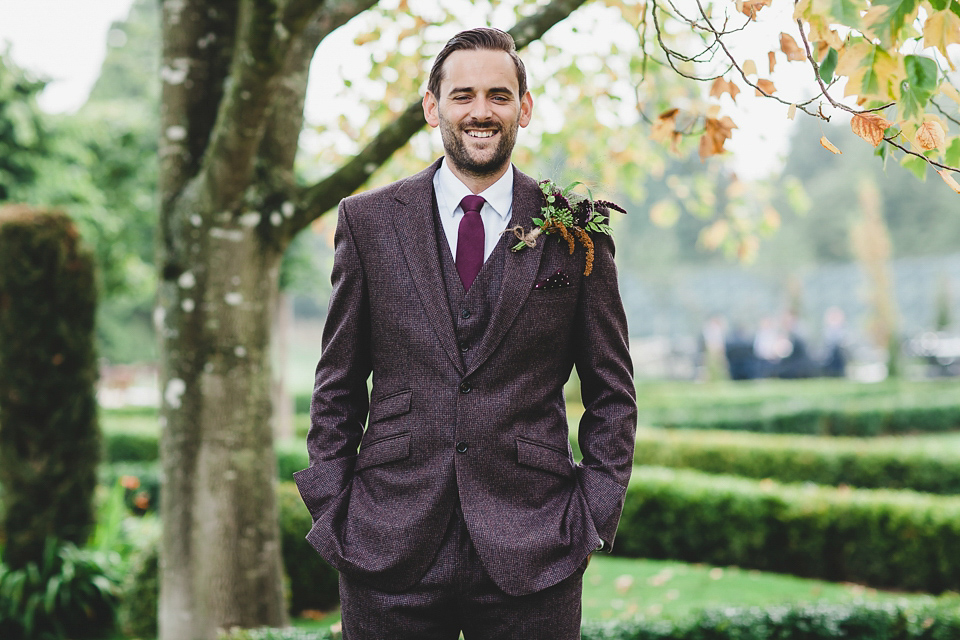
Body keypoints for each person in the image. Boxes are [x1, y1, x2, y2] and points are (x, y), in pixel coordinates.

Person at [293, 27, 637, 639]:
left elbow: (612, 392)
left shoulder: (576, 231)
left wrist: (593, 511)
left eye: (500, 96)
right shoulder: (368, 222)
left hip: (536, 543)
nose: (481, 111)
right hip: (386, 538)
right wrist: (333, 504)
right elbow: (337, 382)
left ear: (524, 109)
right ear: (433, 107)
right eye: (463, 95)